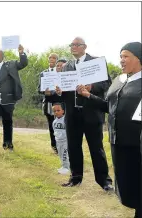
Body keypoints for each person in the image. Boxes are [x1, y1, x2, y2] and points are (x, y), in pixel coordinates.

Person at [77, 42, 141, 218]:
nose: (122, 60)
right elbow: (109, 107)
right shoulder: (119, 80)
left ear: (139, 58)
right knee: (127, 187)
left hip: (137, 143)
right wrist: (88, 96)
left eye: (126, 56)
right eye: (120, 56)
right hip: (118, 142)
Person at [54, 37, 113, 191]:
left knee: (96, 147)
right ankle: (75, 178)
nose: (73, 47)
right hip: (72, 114)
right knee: (73, 147)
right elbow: (65, 88)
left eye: (76, 45)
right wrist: (60, 91)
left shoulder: (96, 62)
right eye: (71, 45)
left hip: (92, 112)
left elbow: (106, 83)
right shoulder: (67, 66)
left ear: (84, 47)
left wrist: (92, 86)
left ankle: (104, 181)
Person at [0, 44, 28, 154]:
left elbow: (23, 63)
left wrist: (21, 53)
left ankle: (8, 145)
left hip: (8, 100)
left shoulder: (11, 65)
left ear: (1, 56)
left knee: (7, 122)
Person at [38, 53, 59, 153]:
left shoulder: (60, 72)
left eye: (54, 58)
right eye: (50, 57)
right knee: (51, 126)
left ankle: (62, 146)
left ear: (57, 60)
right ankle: (54, 146)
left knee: (60, 125)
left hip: (59, 103)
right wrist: (44, 92)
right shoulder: (43, 73)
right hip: (47, 103)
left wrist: (53, 92)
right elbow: (39, 89)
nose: (51, 59)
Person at [52, 103, 70, 175]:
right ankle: (63, 166)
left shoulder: (65, 120)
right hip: (58, 141)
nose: (56, 112)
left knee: (65, 154)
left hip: (65, 141)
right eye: (54, 111)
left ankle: (67, 168)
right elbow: (54, 130)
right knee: (60, 154)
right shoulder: (55, 121)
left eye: (58, 110)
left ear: (63, 111)